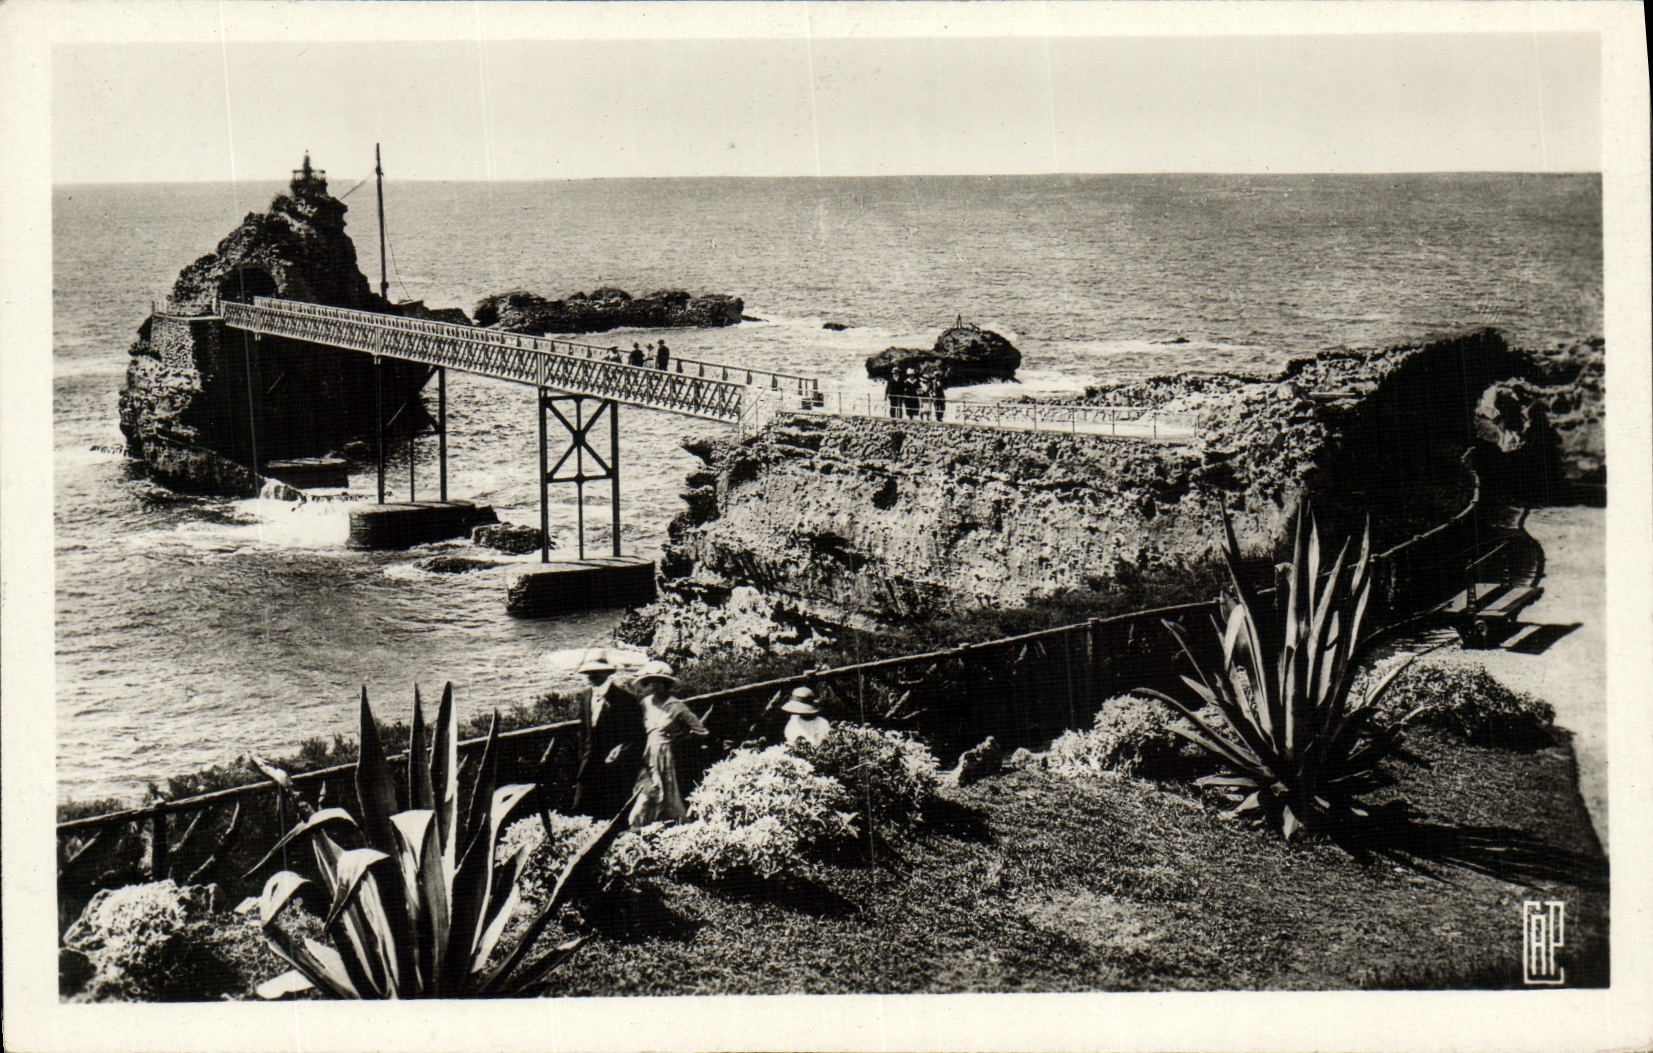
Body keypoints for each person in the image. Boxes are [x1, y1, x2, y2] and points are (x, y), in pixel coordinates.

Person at [628, 660, 708, 827]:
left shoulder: (677, 706)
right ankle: (639, 825)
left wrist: (680, 738)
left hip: (667, 756)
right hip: (646, 755)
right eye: (651, 681)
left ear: (667, 683)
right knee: (647, 791)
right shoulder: (645, 703)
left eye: (660, 682)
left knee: (666, 793)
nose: (655, 686)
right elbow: (635, 727)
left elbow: (701, 731)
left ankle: (670, 826)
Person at [568, 653, 645, 820]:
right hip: (588, 765)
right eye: (587, 672)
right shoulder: (586, 697)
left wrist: (621, 749)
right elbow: (584, 733)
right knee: (581, 809)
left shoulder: (625, 699)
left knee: (612, 811)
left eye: (595, 671)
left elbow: (638, 735)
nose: (590, 676)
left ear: (607, 673)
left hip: (614, 768)